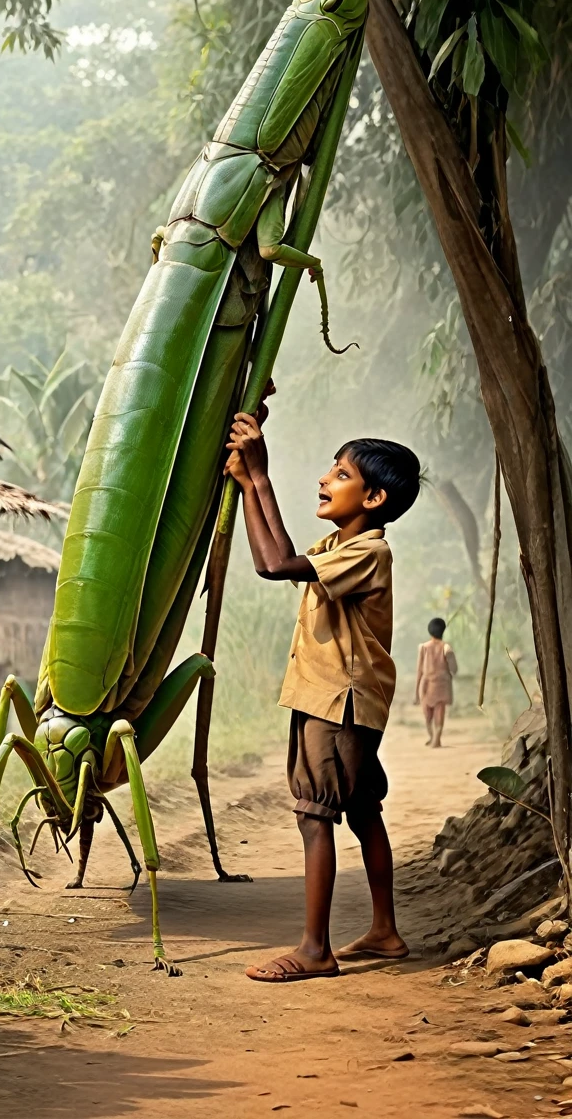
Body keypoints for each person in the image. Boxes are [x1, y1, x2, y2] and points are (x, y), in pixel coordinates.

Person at [225, 419, 421, 983]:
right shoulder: (340, 545)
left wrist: (259, 476)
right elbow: (281, 555)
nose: (324, 480)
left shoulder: (368, 553)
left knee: (316, 817)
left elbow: (273, 564)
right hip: (347, 702)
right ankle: (384, 931)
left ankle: (315, 949)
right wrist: (249, 486)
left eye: (341, 473)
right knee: (362, 811)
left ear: (375, 498)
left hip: (336, 704)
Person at [414, 617, 457, 748]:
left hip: (426, 684)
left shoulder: (423, 647)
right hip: (441, 684)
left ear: (430, 631)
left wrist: (416, 692)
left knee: (428, 715)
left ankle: (434, 738)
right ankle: (435, 738)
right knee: (439, 712)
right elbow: (454, 668)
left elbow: (419, 670)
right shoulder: (446, 647)